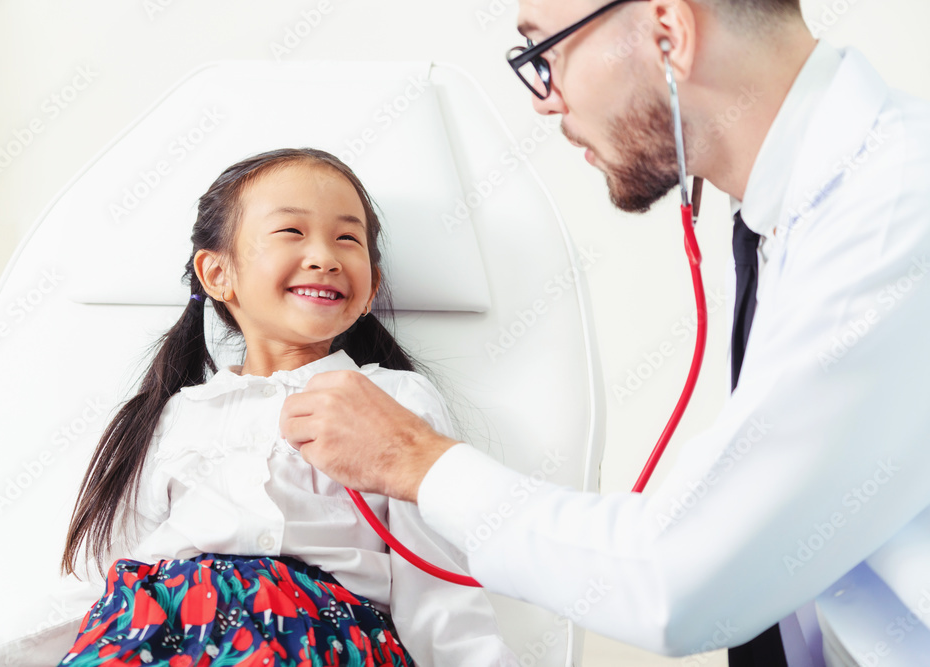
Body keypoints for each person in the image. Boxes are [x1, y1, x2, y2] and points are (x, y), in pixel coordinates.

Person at [278, 1, 930, 666]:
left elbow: (677, 578)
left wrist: (415, 459)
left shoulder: (897, 214)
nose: (544, 100)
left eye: (544, 55)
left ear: (668, 33)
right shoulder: (793, 216)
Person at [0, 149, 515, 667]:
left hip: (316, 640)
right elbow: (101, 586)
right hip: (155, 638)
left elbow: (437, 586)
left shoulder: (394, 399)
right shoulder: (173, 418)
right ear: (218, 274)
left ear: (372, 288)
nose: (324, 256)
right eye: (291, 231)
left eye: (348, 239)